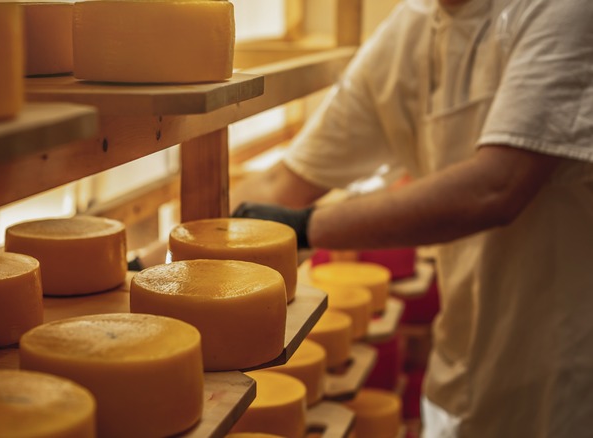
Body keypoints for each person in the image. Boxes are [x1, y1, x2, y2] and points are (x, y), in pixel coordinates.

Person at [231, 0, 593, 436]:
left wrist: (303, 227)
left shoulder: (563, 10)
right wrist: (160, 259)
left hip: (568, 371)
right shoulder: (411, 29)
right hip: (461, 363)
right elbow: (282, 183)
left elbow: (499, 185)